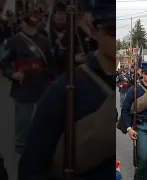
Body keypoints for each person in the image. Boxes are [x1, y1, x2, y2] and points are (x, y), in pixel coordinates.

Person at [18, 1, 116, 179]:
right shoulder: (65, 88)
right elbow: (32, 166)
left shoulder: (141, 84)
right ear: (94, 31)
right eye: (113, 32)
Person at [0, 14, 57, 154]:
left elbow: (52, 64)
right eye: (28, 22)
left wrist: (55, 83)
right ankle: (21, 144)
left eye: (34, 22)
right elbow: (4, 62)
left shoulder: (45, 41)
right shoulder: (14, 41)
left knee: (43, 117)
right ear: (22, 24)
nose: (32, 25)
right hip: (23, 85)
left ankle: (41, 142)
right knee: (23, 120)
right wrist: (12, 74)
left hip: (42, 84)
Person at [121, 62, 147, 180]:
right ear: (141, 73)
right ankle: (138, 177)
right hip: (141, 126)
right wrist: (129, 129)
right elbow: (125, 110)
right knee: (144, 156)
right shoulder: (134, 89)